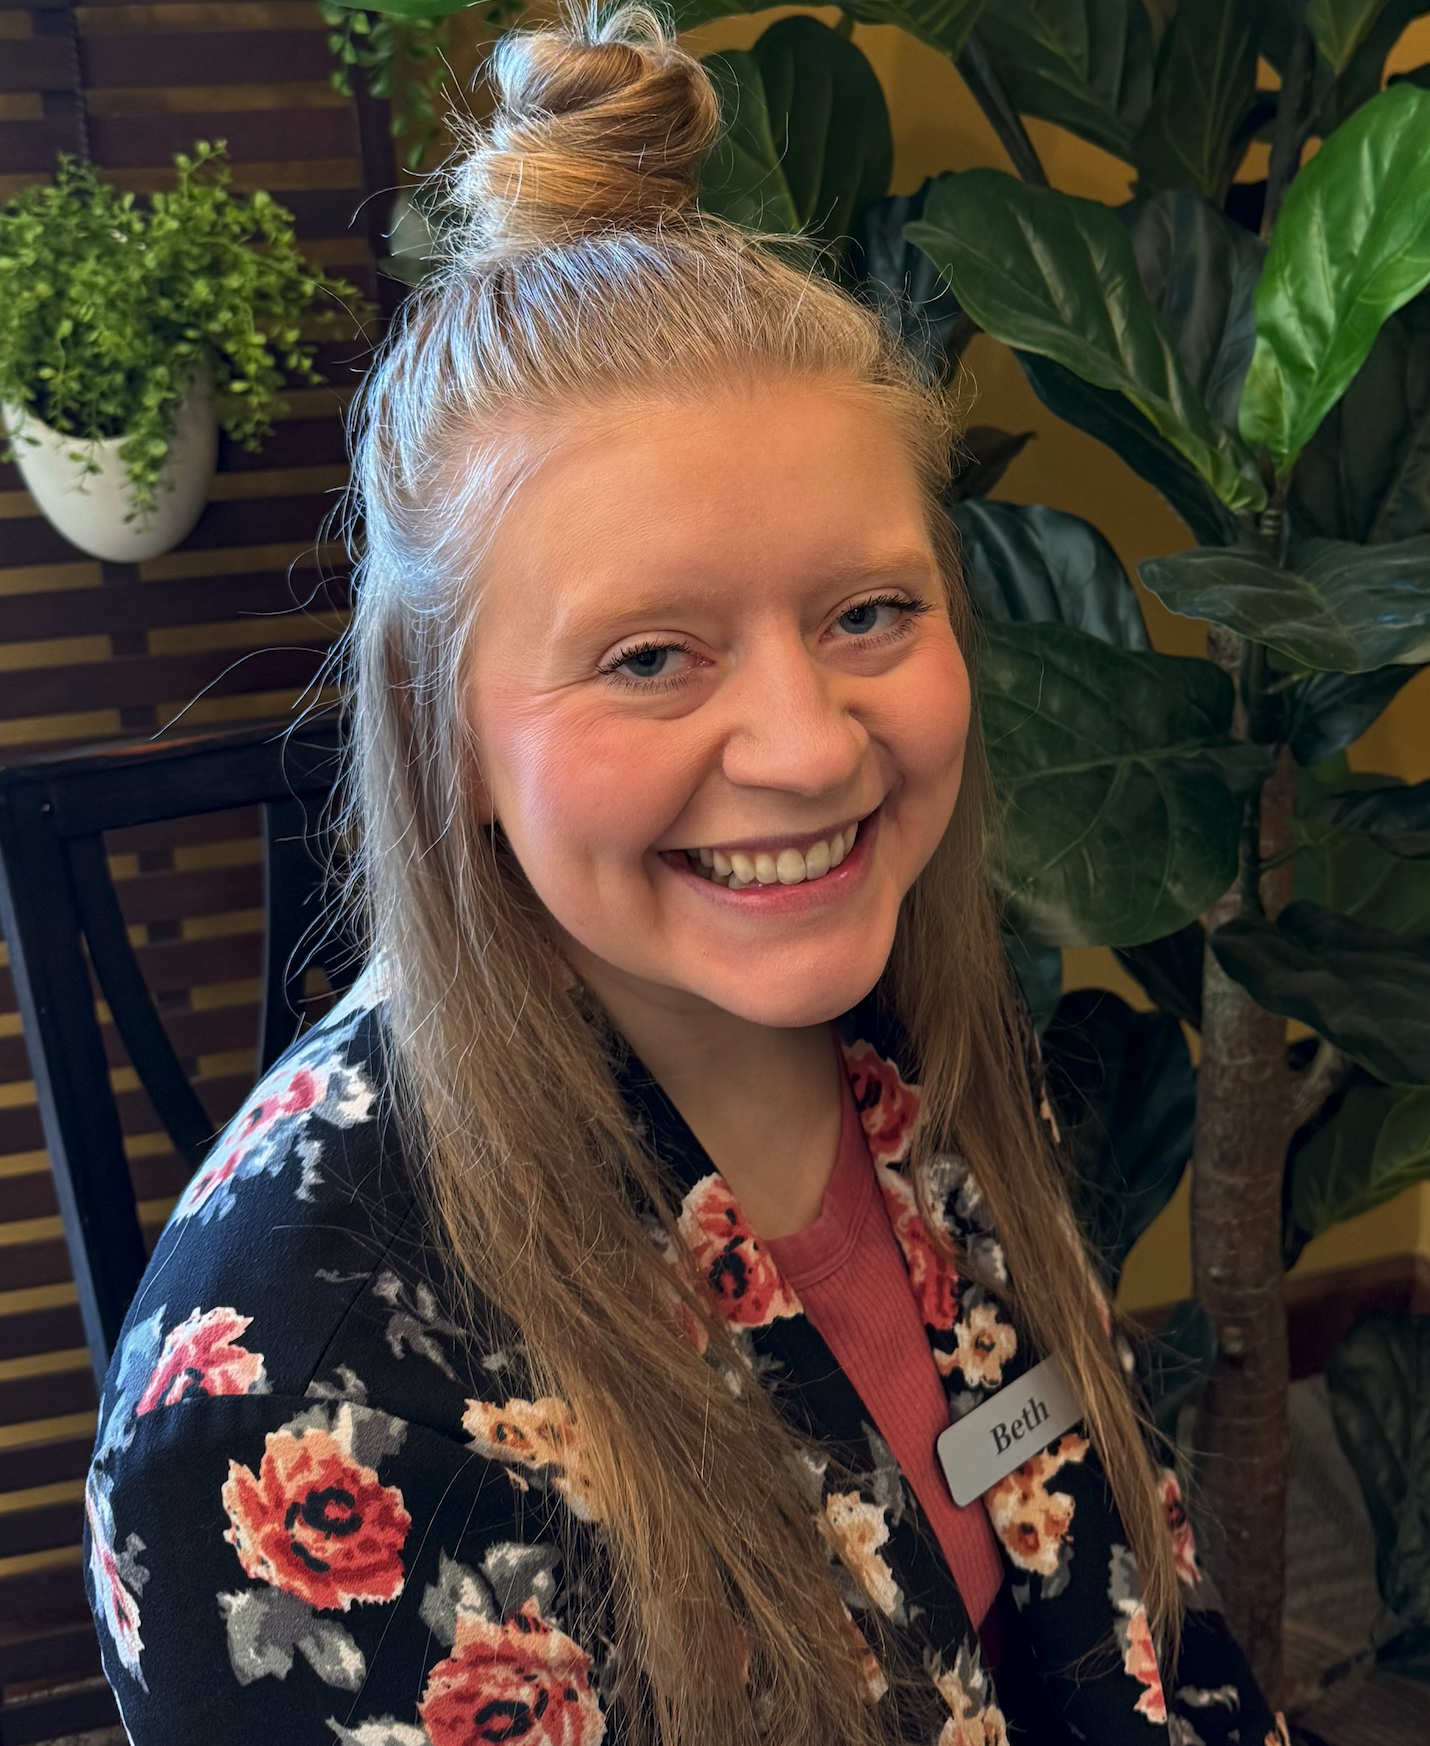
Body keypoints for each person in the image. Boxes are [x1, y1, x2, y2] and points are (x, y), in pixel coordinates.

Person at [82, 10, 1288, 1743]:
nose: (807, 746)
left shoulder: (904, 1059)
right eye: (649, 655)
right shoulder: (303, 1393)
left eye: (867, 611)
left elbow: (1139, 1643)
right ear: (448, 738)